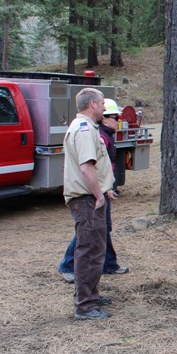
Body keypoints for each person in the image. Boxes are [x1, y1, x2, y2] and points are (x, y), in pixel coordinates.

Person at [58, 98, 129, 282]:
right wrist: (102, 192)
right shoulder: (95, 135)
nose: (118, 121)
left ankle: (109, 264)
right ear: (104, 118)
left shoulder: (103, 133)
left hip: (99, 191)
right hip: (91, 195)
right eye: (114, 117)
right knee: (88, 235)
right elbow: (90, 168)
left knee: (101, 230)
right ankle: (67, 265)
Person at [63, 88, 116, 321]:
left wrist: (105, 188)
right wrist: (99, 196)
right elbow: (86, 168)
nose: (105, 108)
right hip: (87, 200)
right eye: (103, 103)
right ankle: (84, 306)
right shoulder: (84, 130)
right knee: (88, 252)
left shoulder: (85, 128)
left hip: (90, 197)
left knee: (95, 249)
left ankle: (91, 295)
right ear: (93, 104)